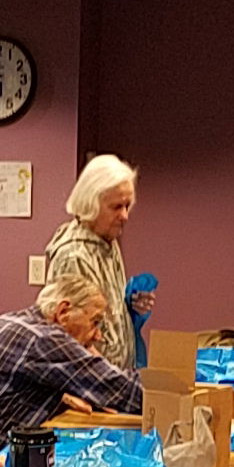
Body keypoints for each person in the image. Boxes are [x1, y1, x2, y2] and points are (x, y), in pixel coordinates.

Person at [0, 273, 143, 456]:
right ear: (63, 312)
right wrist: (166, 399)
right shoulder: (44, 339)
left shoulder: (17, 323)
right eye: (95, 322)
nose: (98, 335)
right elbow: (124, 391)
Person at [45, 154, 154, 370]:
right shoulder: (73, 256)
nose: (125, 216)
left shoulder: (107, 243)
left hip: (114, 377)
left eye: (127, 205)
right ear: (91, 204)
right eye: (116, 207)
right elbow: (71, 339)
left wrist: (128, 306)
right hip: (92, 382)